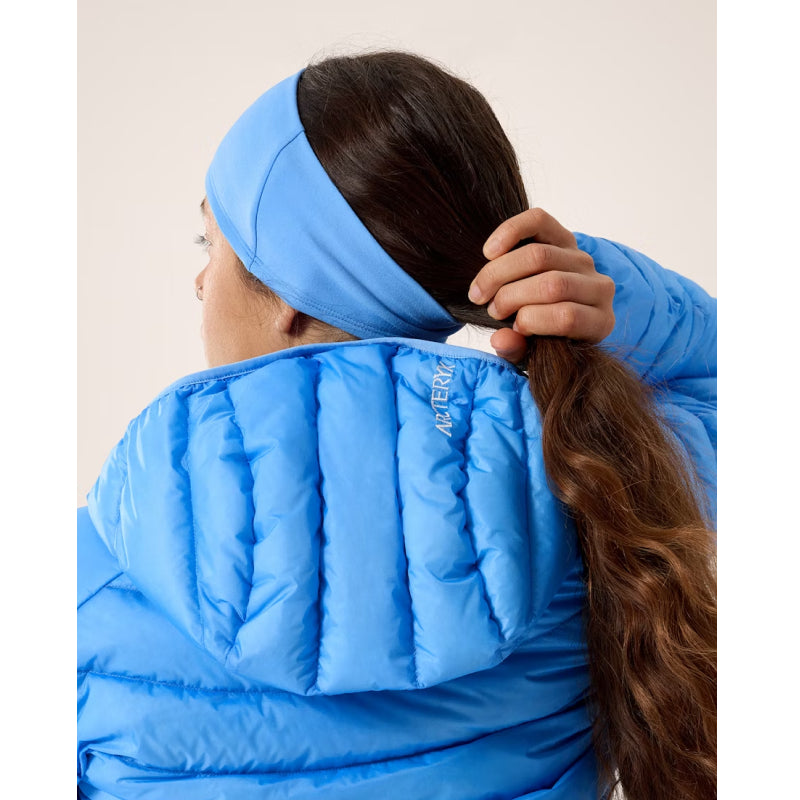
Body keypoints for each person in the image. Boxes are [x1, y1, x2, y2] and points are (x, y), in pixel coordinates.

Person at [77, 51, 716, 800]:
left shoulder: (86, 580)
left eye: (210, 245)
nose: (198, 281)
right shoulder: (594, 490)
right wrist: (589, 282)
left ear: (289, 292)